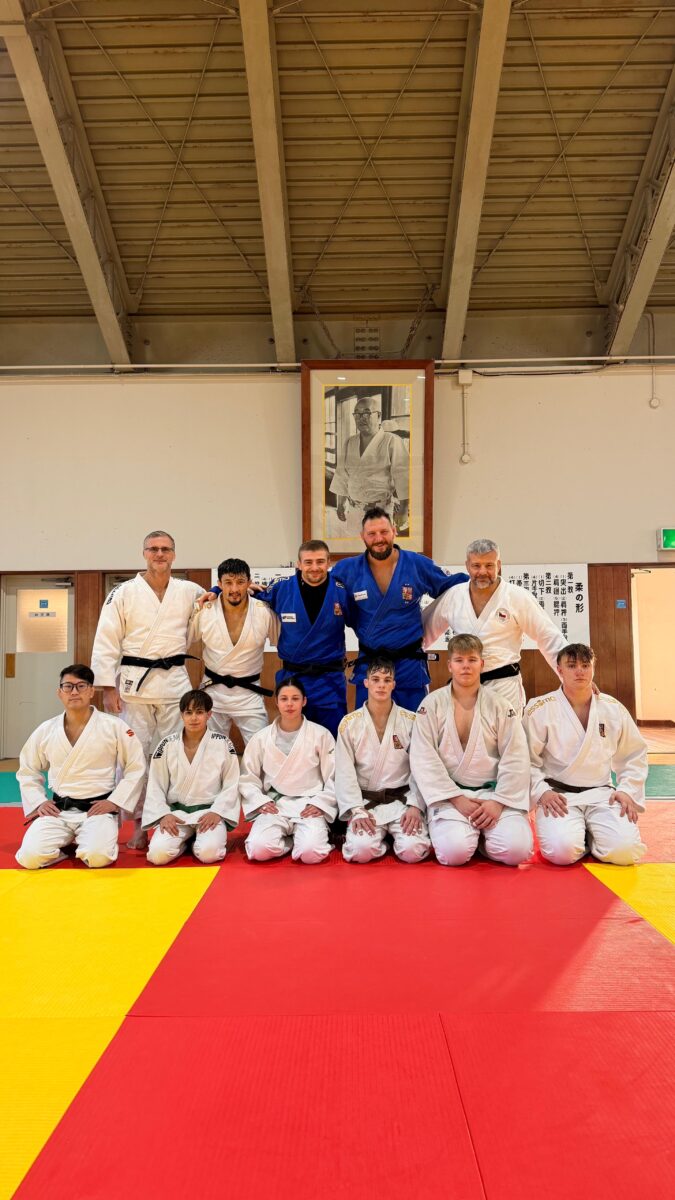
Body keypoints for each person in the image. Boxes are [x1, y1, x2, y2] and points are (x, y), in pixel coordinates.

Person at [90, 530, 204, 849]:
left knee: (175, 755)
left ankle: (177, 816)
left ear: (174, 554)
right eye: (153, 549)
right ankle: (139, 823)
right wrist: (107, 687)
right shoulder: (123, 592)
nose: (159, 554)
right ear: (144, 554)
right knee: (134, 758)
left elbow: (213, 610)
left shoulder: (189, 591)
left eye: (165, 549)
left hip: (174, 683)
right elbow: (106, 639)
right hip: (134, 685)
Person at [199, 540, 349, 738]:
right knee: (291, 739)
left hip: (329, 680)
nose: (314, 567)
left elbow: (362, 621)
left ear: (329, 562)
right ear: (299, 564)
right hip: (293, 678)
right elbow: (243, 595)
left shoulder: (342, 591)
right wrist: (217, 591)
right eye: (308, 562)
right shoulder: (282, 588)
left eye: (320, 561)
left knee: (332, 739)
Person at [410, 635, 533, 867]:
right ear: (450, 665)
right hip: (450, 796)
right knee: (453, 854)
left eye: (472, 660)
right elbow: (423, 758)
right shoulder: (431, 704)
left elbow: (516, 757)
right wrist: (456, 798)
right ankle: (472, 835)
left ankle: (481, 839)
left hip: (493, 795)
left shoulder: (500, 705)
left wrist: (498, 802)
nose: (465, 666)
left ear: (482, 664)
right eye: (459, 660)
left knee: (517, 851)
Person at [523, 643, 647, 866]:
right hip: (557, 796)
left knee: (625, 852)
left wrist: (627, 790)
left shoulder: (613, 708)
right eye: (572, 666)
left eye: (585, 665)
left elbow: (633, 754)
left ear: (593, 668)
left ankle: (590, 833)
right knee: (562, 853)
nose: (579, 671)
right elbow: (524, 759)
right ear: (560, 670)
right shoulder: (540, 708)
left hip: (602, 794)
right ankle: (582, 834)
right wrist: (541, 792)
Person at [333, 507, 467, 711]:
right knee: (367, 727)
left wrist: (481, 580)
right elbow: (324, 596)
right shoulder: (347, 569)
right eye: (372, 533)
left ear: (394, 531)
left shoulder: (417, 564)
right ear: (362, 536)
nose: (379, 538)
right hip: (370, 666)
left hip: (409, 666)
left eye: (384, 532)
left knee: (415, 726)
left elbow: (452, 585)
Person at [16, 664, 146, 870]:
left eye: (81, 686)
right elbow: (27, 769)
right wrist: (39, 801)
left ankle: (85, 841)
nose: (74, 692)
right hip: (58, 811)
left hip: (98, 811)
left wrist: (115, 802)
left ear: (91, 691)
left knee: (98, 857)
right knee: (29, 858)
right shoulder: (46, 729)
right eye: (68, 686)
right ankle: (68, 845)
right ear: (59, 692)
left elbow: (136, 766)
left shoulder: (114, 726)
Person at [422, 538, 566, 713]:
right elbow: (421, 633)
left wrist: (572, 678)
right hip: (464, 687)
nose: (482, 572)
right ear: (467, 566)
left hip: (504, 686)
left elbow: (549, 637)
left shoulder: (516, 597)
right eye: (476, 566)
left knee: (506, 731)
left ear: (499, 565)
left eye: (489, 565)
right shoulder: (454, 596)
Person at [336, 657, 430, 864]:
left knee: (414, 851)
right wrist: (356, 810)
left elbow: (422, 768)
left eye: (387, 680)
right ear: (366, 683)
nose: (381, 685)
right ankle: (385, 842)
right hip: (366, 804)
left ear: (393, 685)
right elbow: (344, 772)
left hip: (402, 802)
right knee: (360, 852)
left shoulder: (411, 721)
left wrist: (416, 805)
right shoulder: (349, 724)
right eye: (376, 679)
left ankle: (391, 838)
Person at [240, 677, 336, 864]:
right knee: (258, 850)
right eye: (284, 699)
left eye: (295, 698)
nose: (289, 704)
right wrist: (260, 801)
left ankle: (306, 840)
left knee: (311, 854)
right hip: (276, 805)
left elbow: (334, 776)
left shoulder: (321, 734)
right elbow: (248, 777)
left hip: (309, 804)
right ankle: (292, 843)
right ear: (276, 702)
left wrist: (321, 804)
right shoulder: (261, 738)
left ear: (304, 701)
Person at [143, 689, 240, 866]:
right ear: (181, 715)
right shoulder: (166, 744)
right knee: (158, 855)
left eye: (199, 712)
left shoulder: (223, 744)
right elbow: (155, 784)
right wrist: (164, 814)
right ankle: (186, 842)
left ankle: (197, 841)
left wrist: (218, 812)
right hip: (176, 815)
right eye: (188, 712)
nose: (194, 718)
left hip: (208, 814)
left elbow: (232, 783)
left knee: (209, 854)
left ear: (209, 715)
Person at [189, 557, 278, 744]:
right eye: (228, 582)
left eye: (240, 582)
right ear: (219, 584)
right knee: (211, 750)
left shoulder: (263, 612)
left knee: (261, 748)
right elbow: (183, 641)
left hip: (249, 694)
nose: (234, 589)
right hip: (213, 691)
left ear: (249, 583)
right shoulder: (205, 612)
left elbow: (284, 643)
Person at [329, 395, 410, 535]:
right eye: (357, 414)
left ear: (378, 416)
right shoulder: (350, 442)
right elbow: (342, 474)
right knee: (355, 544)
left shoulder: (391, 441)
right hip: (354, 509)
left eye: (366, 413)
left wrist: (403, 509)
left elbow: (403, 476)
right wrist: (340, 503)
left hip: (380, 509)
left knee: (379, 545)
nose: (361, 418)